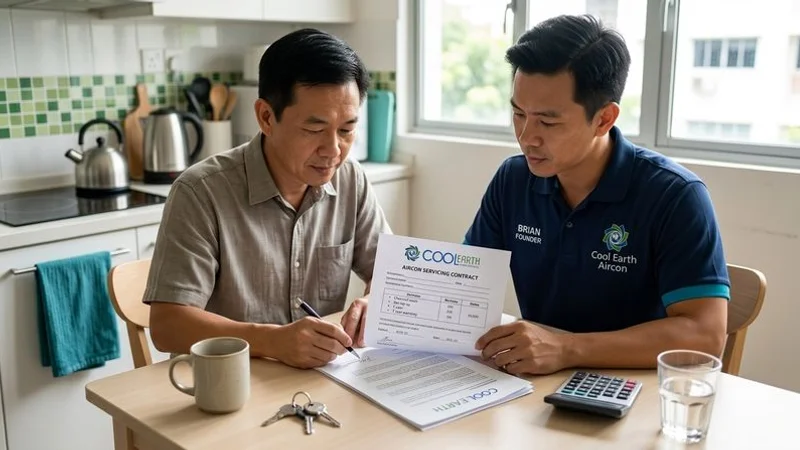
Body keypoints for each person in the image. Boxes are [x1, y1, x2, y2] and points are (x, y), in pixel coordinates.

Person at [465, 15, 729, 375]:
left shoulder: (675, 196)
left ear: (604, 119)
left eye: (548, 122)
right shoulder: (513, 180)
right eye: (518, 113)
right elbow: (466, 284)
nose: (526, 137)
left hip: (634, 390)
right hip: (538, 385)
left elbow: (706, 335)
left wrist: (567, 348)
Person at [143, 28, 388, 369]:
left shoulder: (351, 179)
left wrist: (375, 301)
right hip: (225, 384)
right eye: (314, 129)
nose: (333, 150)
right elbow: (167, 326)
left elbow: (389, 274)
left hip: (318, 381)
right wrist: (272, 340)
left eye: (346, 130)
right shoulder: (201, 192)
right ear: (266, 117)